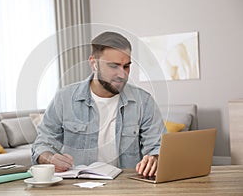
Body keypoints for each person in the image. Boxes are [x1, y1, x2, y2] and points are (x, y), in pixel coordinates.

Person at [31, 31, 167, 177]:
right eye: (114, 66)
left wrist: (155, 159)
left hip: (127, 185)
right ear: (94, 63)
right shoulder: (64, 98)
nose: (122, 74)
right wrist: (49, 158)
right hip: (77, 186)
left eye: (126, 66)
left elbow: (159, 147)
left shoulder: (144, 101)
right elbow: (42, 144)